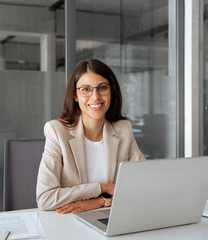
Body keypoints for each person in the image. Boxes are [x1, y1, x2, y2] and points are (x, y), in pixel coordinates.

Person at [36, 59, 145, 214]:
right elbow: (45, 198)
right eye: (86, 89)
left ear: (111, 92)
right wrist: (103, 188)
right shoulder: (56, 131)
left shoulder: (123, 129)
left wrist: (100, 202)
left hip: (113, 216)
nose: (96, 97)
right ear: (75, 95)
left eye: (102, 88)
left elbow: (144, 187)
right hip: (70, 222)